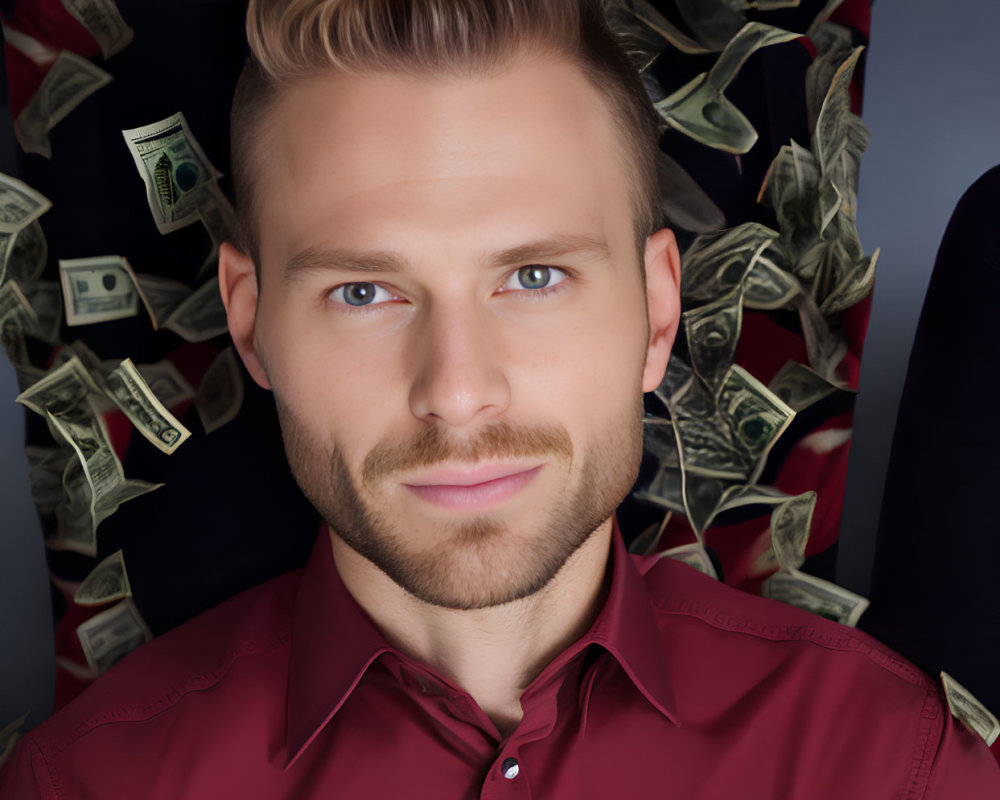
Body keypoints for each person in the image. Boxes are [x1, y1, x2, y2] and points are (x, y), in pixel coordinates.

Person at [2, 1, 998, 796]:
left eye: (532, 277)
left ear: (656, 311)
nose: (459, 390)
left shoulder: (889, 765)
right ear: (253, 322)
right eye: (364, 291)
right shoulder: (81, 783)